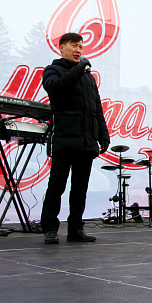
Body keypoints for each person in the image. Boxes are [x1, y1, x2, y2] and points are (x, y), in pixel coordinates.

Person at [41, 32, 110, 244]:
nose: (78, 50)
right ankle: (50, 229)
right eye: (74, 45)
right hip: (64, 139)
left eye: (81, 46)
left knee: (80, 189)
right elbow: (56, 89)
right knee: (57, 186)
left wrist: (103, 134)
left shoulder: (89, 78)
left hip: (86, 141)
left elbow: (96, 108)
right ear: (61, 47)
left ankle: (75, 229)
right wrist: (80, 69)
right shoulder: (52, 70)